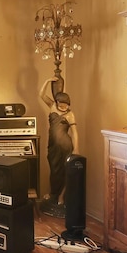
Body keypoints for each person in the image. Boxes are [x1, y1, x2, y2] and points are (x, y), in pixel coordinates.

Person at [39, 76, 79, 218]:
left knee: (65, 171)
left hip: (65, 146)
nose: (63, 107)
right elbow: (41, 95)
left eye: (66, 105)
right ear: (56, 102)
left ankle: (61, 197)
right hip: (53, 146)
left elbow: (74, 133)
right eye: (61, 104)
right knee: (54, 170)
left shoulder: (70, 115)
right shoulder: (52, 107)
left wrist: (76, 149)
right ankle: (53, 194)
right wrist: (47, 80)